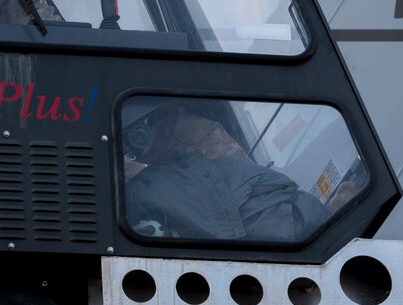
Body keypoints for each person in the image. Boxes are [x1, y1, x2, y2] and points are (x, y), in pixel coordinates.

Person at [120, 98, 333, 244]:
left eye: (171, 117)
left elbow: (236, 197)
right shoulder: (134, 182)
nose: (170, 126)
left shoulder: (200, 137)